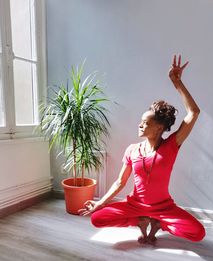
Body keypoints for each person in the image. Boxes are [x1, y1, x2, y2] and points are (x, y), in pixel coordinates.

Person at [78, 54, 206, 245]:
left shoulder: (172, 145)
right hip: (135, 205)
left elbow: (194, 112)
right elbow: (120, 182)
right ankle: (141, 220)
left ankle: (158, 223)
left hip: (163, 207)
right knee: (97, 218)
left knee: (197, 232)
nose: (139, 125)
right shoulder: (132, 150)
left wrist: (176, 82)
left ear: (159, 128)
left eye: (145, 123)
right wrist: (100, 203)